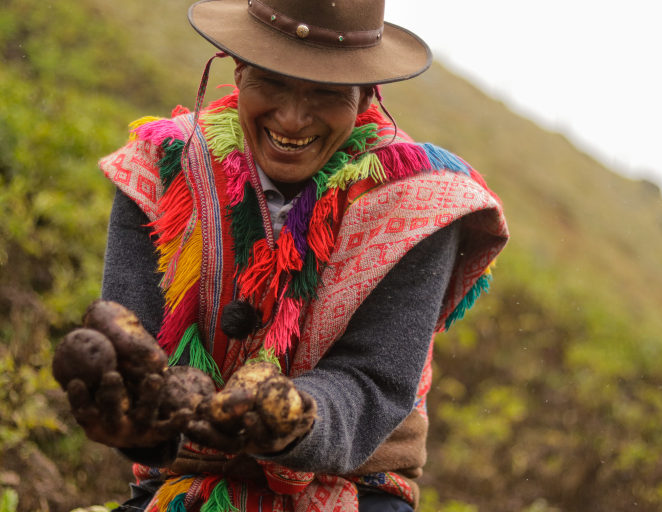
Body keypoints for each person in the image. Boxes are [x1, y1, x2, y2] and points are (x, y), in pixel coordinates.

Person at [62, 0, 508, 510]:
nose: (293, 119)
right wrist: (138, 422)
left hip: (355, 492)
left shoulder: (419, 206)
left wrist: (294, 418)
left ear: (367, 94)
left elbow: (373, 381)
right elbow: (137, 355)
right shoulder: (162, 166)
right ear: (239, 69)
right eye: (271, 82)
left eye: (327, 93)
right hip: (180, 484)